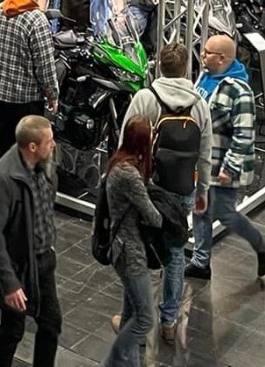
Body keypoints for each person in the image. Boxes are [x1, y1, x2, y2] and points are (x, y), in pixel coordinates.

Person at [122, 44, 211, 344]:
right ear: (186, 69)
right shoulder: (199, 103)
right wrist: (203, 190)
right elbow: (205, 153)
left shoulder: (145, 98)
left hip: (148, 187)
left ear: (159, 66)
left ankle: (136, 322)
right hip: (182, 188)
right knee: (174, 254)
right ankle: (169, 321)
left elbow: (125, 142)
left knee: (139, 252)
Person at [188, 34, 265, 282]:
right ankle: (200, 261)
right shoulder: (205, 77)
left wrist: (230, 167)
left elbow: (244, 134)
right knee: (200, 208)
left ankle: (262, 244)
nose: (202, 55)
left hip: (222, 165)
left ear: (222, 58)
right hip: (203, 162)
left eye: (207, 52)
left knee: (224, 213)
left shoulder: (239, 91)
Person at [0, 115, 62, 367]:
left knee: (51, 324)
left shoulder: (44, 163)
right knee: (12, 330)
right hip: (19, 268)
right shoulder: (4, 178)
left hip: (43, 261)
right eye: (49, 141)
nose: (54, 145)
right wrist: (9, 285)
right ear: (32, 146)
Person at [100, 118, 163, 367]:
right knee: (145, 318)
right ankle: (113, 359)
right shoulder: (129, 175)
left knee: (130, 314)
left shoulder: (119, 163)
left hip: (122, 247)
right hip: (131, 252)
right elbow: (153, 217)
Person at [0, 0, 58, 147]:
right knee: (28, 148)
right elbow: (45, 65)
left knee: (4, 141)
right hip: (26, 98)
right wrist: (53, 95)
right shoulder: (37, 20)